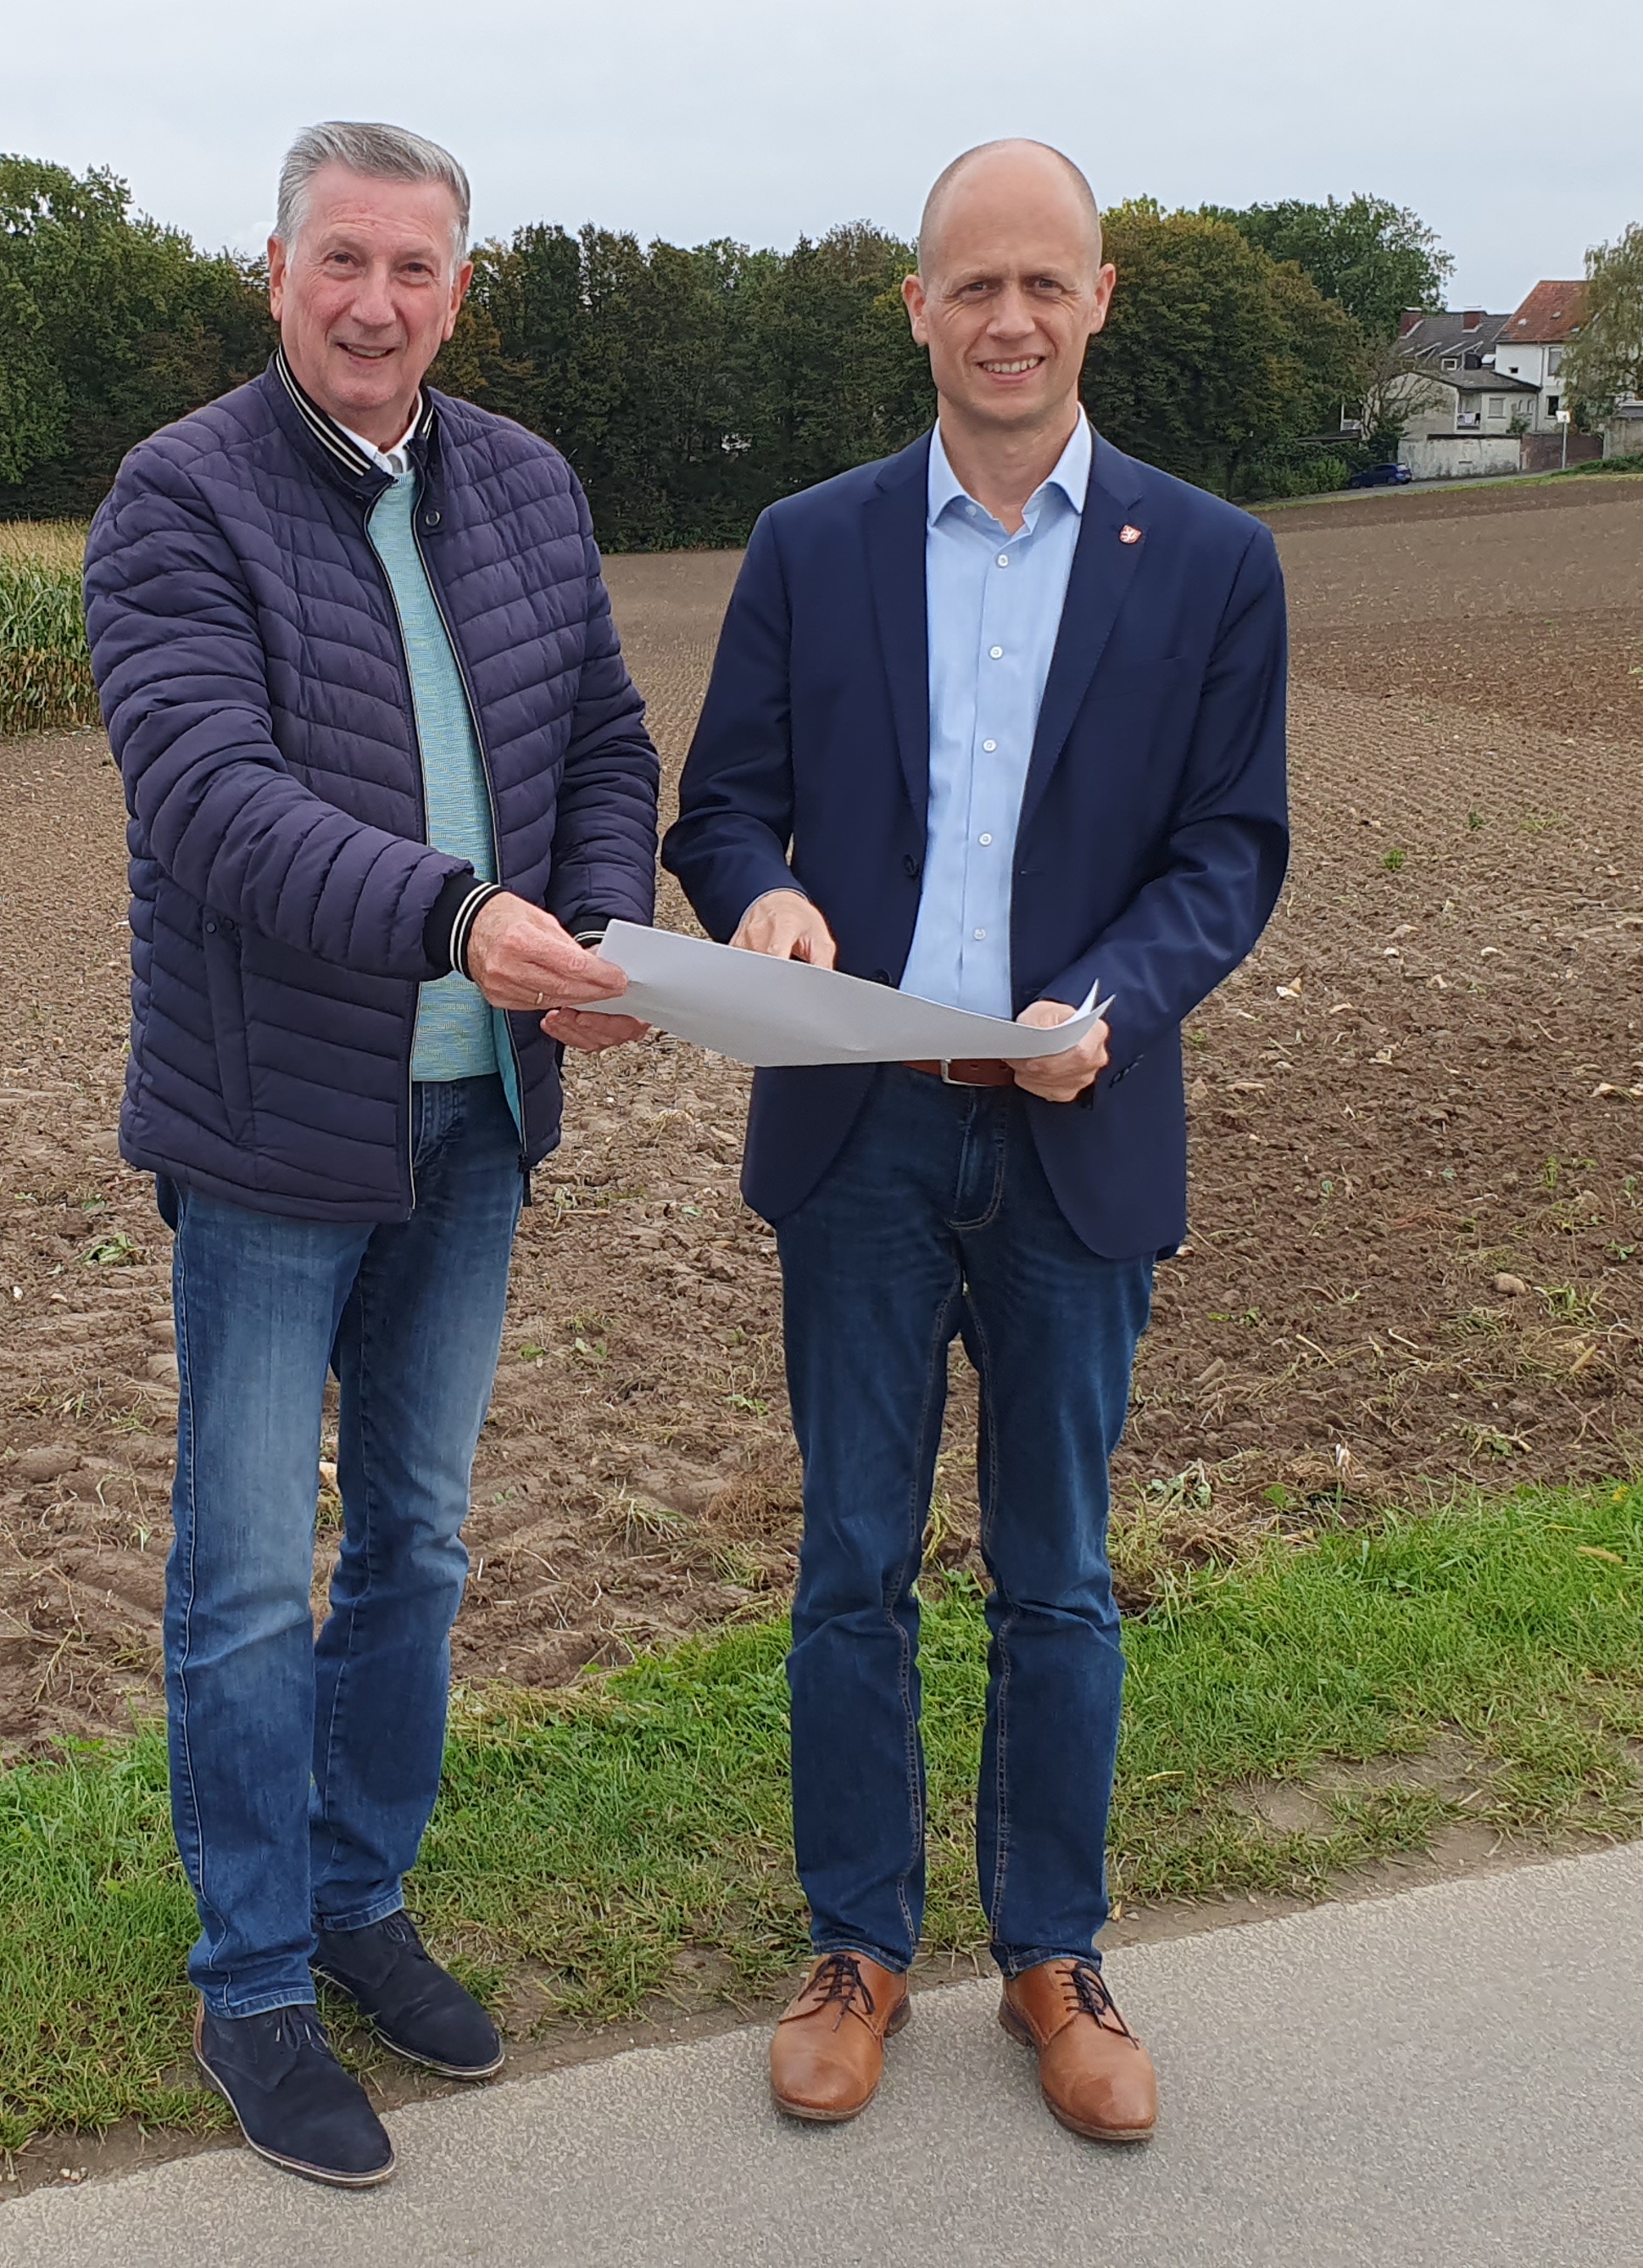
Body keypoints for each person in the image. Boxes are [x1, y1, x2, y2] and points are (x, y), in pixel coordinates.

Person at [663, 138, 1289, 2144]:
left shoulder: (1208, 560)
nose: (1008, 320)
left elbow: (1230, 849)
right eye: (970, 286)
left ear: (1100, 300)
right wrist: (757, 901)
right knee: (852, 1560)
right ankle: (857, 1947)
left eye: (1045, 285)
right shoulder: (811, 540)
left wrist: (1105, 997)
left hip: (1072, 1137)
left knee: (1059, 1573)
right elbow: (722, 803)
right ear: (916, 308)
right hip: (855, 1132)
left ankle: (1052, 1955)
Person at [84, 121, 660, 2187]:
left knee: (414, 1539)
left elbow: (602, 735)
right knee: (245, 1575)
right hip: (272, 1125)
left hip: (476, 1111)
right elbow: (209, 799)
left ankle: (357, 1897)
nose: (376, 303)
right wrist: (452, 919)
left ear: (458, 292)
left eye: (416, 270)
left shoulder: (521, 484)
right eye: (343, 260)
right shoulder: (180, 500)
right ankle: (251, 1980)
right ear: (274, 270)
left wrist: (584, 927)